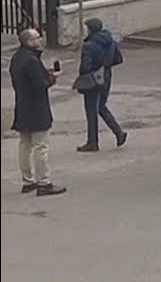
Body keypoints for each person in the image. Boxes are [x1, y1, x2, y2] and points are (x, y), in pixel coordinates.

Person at [10, 28, 66, 196]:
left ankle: (27, 181)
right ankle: (44, 183)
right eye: (37, 37)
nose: (40, 39)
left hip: (22, 106)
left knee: (25, 145)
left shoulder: (18, 58)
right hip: (36, 108)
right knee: (40, 146)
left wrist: (45, 73)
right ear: (29, 41)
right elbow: (39, 85)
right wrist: (52, 78)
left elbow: (26, 79)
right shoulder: (31, 60)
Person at [75, 18, 127, 152]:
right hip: (106, 76)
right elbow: (118, 59)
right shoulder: (110, 42)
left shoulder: (88, 46)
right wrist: (105, 66)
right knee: (101, 106)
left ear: (91, 29)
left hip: (92, 79)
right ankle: (119, 132)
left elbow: (85, 67)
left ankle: (93, 142)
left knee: (91, 111)